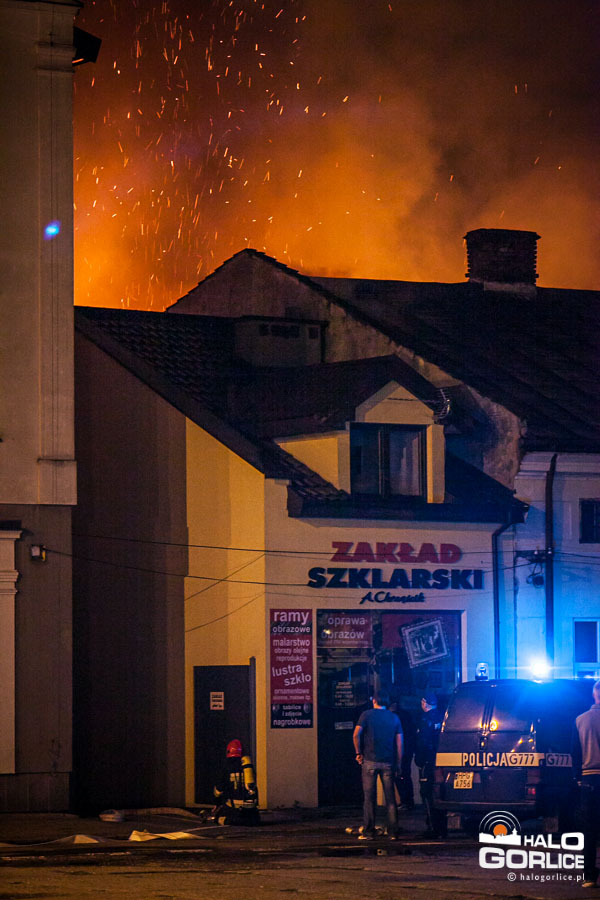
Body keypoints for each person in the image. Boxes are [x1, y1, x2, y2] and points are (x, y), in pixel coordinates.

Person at [353, 689, 403, 840]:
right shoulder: (394, 718)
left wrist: (358, 753)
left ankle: (369, 832)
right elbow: (400, 743)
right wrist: (399, 763)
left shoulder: (366, 715)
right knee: (390, 798)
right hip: (388, 762)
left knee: (369, 798)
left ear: (374, 700)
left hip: (369, 761)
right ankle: (393, 832)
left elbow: (356, 735)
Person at [574, 680, 600, 888]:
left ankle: (589, 875)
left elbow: (575, 752)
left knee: (589, 829)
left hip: (589, 778)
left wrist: (578, 778)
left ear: (594, 695)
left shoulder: (580, 720)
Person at [415, 692, 446, 839]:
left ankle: (433, 828)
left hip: (428, 761)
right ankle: (442, 828)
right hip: (442, 760)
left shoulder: (425, 719)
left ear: (424, 702)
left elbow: (423, 742)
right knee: (439, 793)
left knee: (427, 794)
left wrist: (420, 760)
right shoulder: (443, 717)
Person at [213, 738, 260, 826]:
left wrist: (217, 802)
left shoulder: (227, 767)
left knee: (218, 818)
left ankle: (226, 820)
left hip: (234, 809)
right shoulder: (248, 768)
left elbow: (219, 790)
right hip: (252, 812)